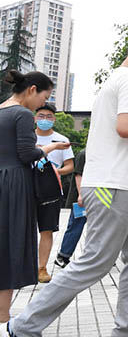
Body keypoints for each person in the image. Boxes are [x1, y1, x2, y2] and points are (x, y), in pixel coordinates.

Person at [6, 28, 128, 337]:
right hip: (111, 186)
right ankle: (23, 327)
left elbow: (126, 132)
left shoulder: (117, 80)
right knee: (94, 262)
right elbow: (126, 128)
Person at [0, 71, 65, 337]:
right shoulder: (22, 115)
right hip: (14, 184)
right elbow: (27, 154)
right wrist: (49, 149)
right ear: (32, 89)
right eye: (44, 98)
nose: (42, 106)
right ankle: (3, 319)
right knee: (11, 247)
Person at [34, 103, 75, 282]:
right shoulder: (26, 137)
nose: (45, 120)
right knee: (23, 229)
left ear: (54, 119)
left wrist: (53, 173)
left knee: (47, 230)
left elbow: (70, 166)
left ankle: (41, 268)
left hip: (50, 192)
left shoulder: (61, 140)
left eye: (49, 117)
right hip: (25, 190)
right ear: (35, 118)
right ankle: (22, 266)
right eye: (41, 116)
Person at [54, 149, 87, 269]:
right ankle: (63, 256)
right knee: (75, 226)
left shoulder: (99, 153)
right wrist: (81, 195)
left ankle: (99, 255)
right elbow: (78, 175)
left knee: (98, 228)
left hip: (96, 197)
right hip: (82, 198)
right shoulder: (84, 154)